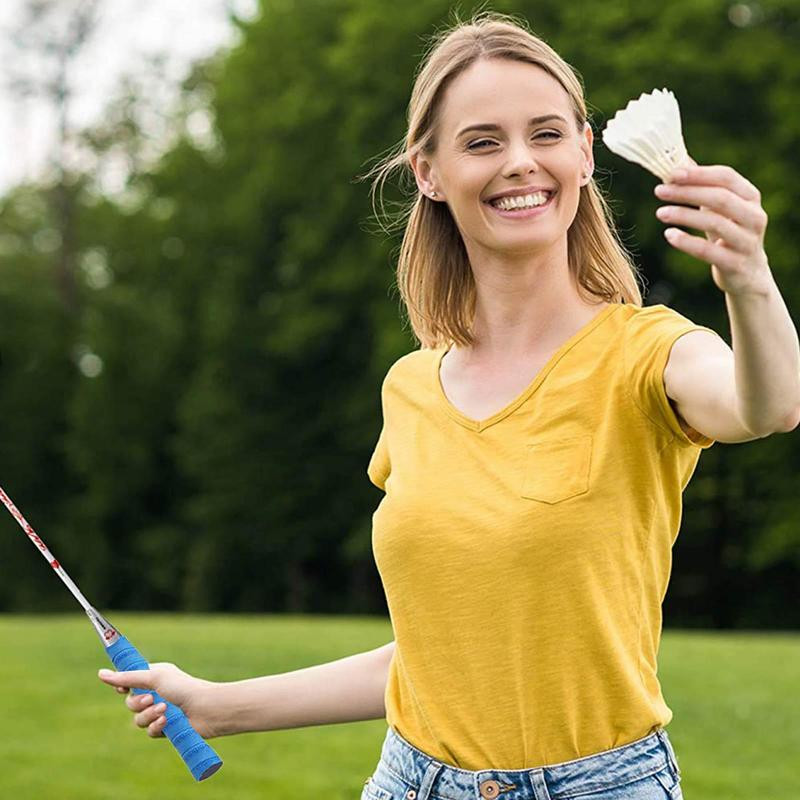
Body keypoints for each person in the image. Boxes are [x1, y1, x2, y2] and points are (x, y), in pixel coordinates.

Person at [99, 10, 800, 800]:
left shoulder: (650, 353)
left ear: (583, 152)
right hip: (409, 781)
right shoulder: (410, 389)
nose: (521, 164)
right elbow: (438, 658)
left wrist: (750, 282)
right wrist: (222, 706)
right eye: (482, 141)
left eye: (545, 134)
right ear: (428, 171)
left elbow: (765, 404)